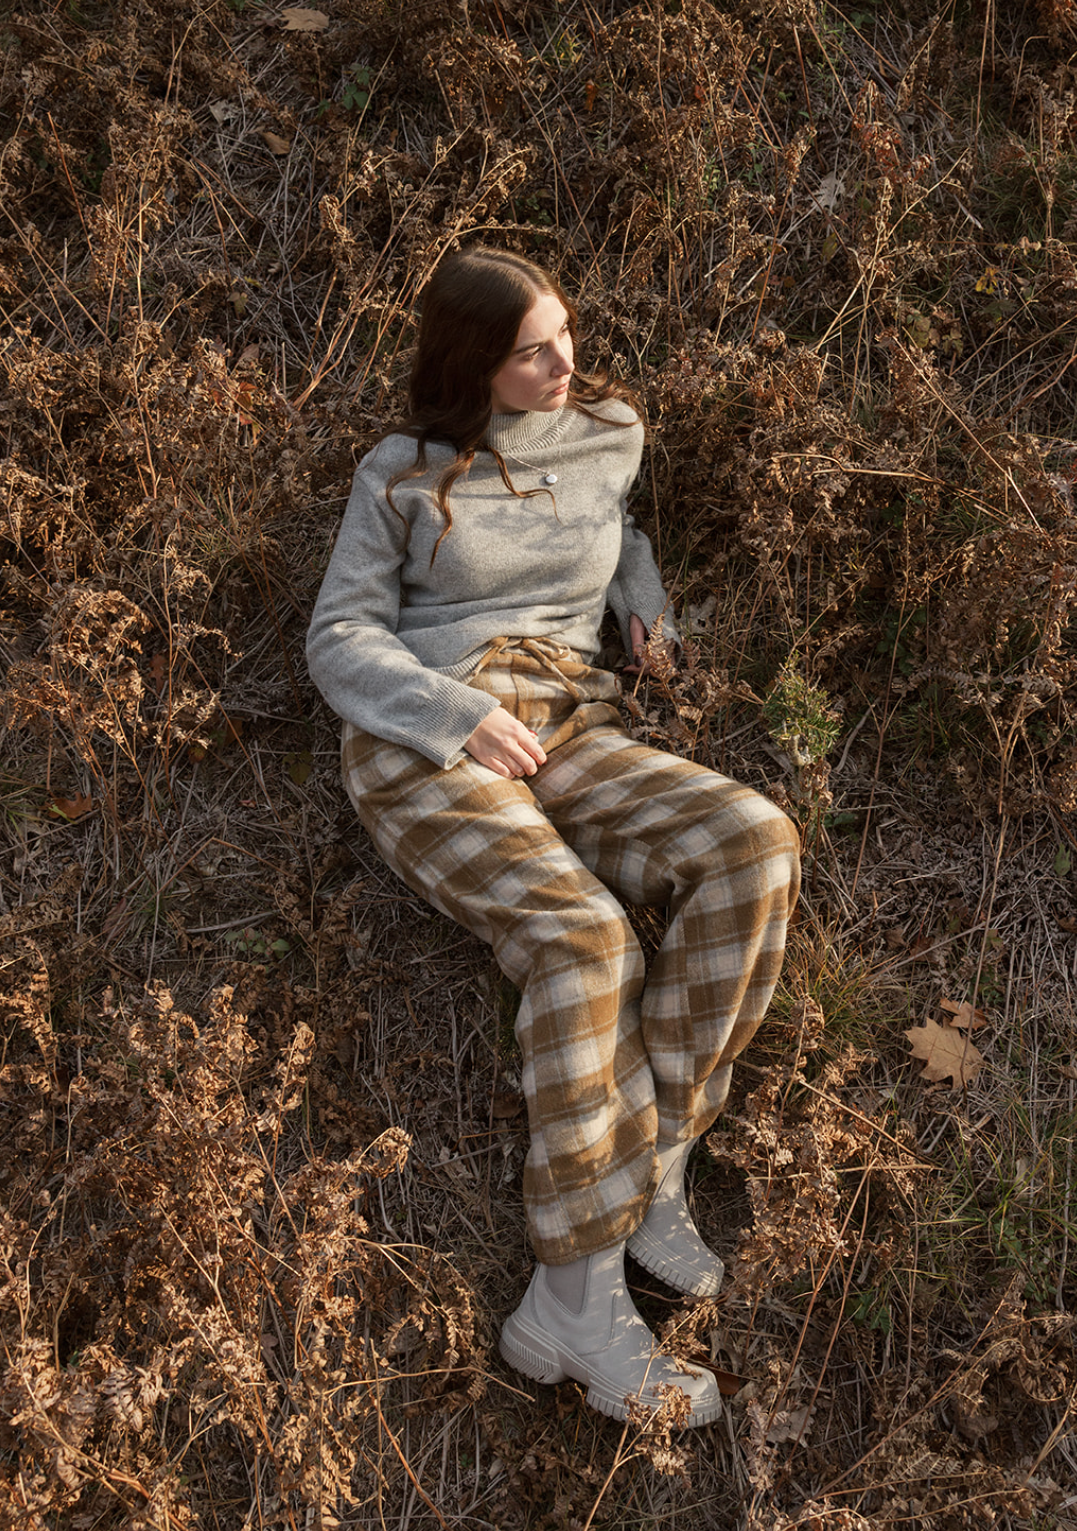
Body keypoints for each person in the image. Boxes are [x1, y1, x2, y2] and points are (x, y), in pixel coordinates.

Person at [307, 247, 801, 1429]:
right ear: (473, 362)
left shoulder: (607, 431)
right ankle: (570, 1304)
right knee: (584, 941)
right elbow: (337, 637)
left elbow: (611, 527)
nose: (564, 362)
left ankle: (649, 1171)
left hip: (573, 718)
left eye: (565, 333)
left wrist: (645, 604)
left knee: (754, 842)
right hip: (432, 736)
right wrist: (452, 713)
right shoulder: (399, 473)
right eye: (532, 351)